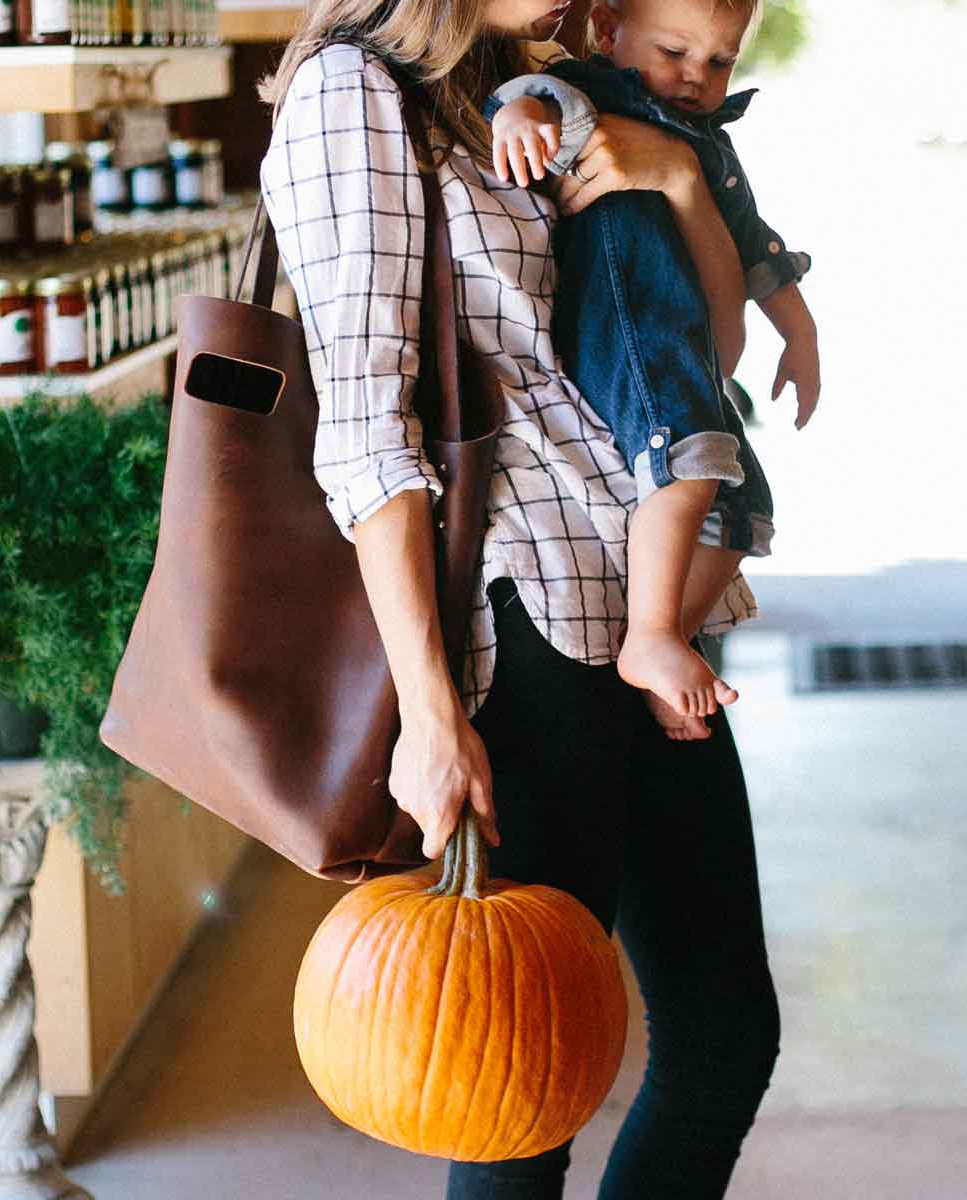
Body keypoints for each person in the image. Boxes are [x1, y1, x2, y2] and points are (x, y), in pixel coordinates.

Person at [258, 0, 819, 1194]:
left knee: (724, 1037)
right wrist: (430, 712)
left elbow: (696, 355)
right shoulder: (352, 93)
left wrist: (672, 173)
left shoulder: (546, 82)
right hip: (522, 623)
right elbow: (365, 435)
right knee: (516, 1081)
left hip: (640, 601)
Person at [485, 0, 818, 738]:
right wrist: (517, 120)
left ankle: (664, 646)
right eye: (674, 51)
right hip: (627, 334)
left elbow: (757, 249)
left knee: (741, 511)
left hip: (684, 349)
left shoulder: (710, 148)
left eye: (719, 60)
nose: (697, 78)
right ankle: (652, 638)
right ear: (608, 31)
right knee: (691, 468)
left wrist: (801, 334)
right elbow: (533, 97)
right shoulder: (599, 95)